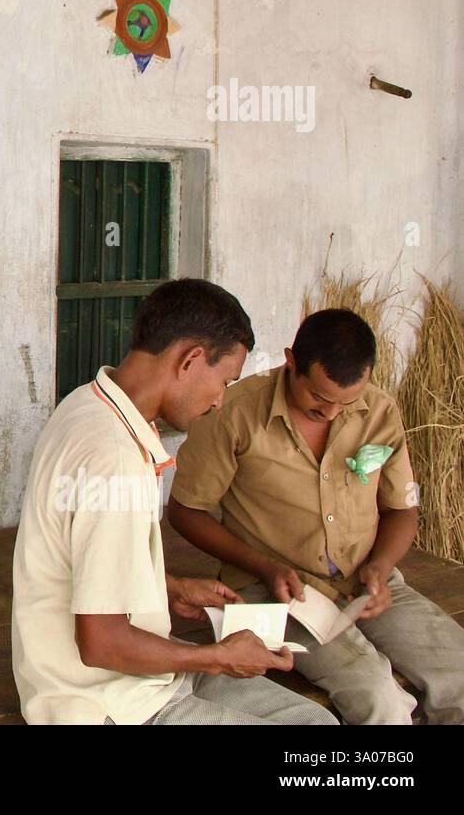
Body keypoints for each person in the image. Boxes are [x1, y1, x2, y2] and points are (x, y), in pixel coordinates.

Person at [12, 278, 335, 724]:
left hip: (140, 679)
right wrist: (220, 657)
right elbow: (101, 643)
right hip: (103, 703)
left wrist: (164, 586)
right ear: (191, 360)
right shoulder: (113, 456)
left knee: (314, 721)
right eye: (224, 381)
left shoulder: (89, 405)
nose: (221, 401)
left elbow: (79, 555)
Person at [168, 308, 464, 724]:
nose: (332, 413)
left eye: (347, 402)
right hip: (278, 590)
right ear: (291, 361)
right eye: (319, 399)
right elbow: (185, 512)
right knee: (378, 696)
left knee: (458, 675)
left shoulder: (379, 412)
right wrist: (265, 567)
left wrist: (379, 567)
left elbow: (402, 510)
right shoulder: (233, 412)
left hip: (366, 581)